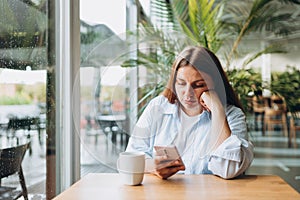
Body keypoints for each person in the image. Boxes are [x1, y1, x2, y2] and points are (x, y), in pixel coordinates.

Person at [126, 46, 254, 180]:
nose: (187, 94)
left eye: (198, 85)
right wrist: (154, 167)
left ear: (216, 83)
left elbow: (228, 169)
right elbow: (132, 156)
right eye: (181, 83)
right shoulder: (157, 108)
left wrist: (217, 110)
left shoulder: (232, 115)